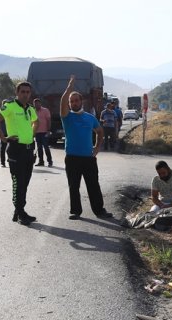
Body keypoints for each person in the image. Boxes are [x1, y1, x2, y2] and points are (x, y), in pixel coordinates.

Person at [60, 75, 113, 220]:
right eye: (71, 101)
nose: (74, 103)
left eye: (76, 100)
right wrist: (70, 87)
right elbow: (62, 102)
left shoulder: (90, 118)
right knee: (73, 186)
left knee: (93, 185)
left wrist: (96, 148)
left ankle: (99, 210)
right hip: (72, 158)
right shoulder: (66, 117)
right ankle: (75, 211)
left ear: (81, 101)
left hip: (89, 158)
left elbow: (100, 131)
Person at [0, 83, 38, 225]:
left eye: (28, 92)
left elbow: (36, 121)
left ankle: (19, 211)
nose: (25, 94)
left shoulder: (30, 108)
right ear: (17, 92)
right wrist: (4, 138)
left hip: (29, 150)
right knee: (18, 183)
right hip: (16, 150)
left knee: (25, 182)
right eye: (23, 91)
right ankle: (20, 213)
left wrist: (32, 132)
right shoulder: (10, 106)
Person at [33, 98, 53, 167]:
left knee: (46, 147)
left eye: (38, 103)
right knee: (39, 148)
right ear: (34, 104)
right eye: (35, 104)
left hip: (45, 132)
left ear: (40, 104)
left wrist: (48, 130)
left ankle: (50, 161)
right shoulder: (33, 111)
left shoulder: (45, 110)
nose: (36, 105)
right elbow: (32, 122)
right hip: (37, 133)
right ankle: (41, 162)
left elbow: (49, 121)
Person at [0, 99, 8, 167]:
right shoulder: (1, 112)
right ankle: (2, 162)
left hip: (11, 132)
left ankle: (11, 159)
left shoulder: (10, 111)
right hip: (3, 133)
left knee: (11, 148)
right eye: (4, 104)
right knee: (3, 148)